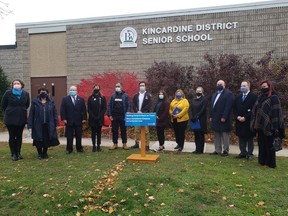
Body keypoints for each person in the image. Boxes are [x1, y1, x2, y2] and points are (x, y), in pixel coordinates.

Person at [250, 80, 285, 168]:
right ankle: (262, 161)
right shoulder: (260, 97)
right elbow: (256, 110)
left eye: (265, 87)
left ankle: (270, 163)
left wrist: (276, 127)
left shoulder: (274, 97)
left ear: (269, 87)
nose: (263, 88)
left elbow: (276, 113)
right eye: (262, 87)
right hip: (260, 125)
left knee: (269, 145)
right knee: (261, 144)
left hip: (270, 126)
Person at [1, 79, 30, 161]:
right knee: (12, 136)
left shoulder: (26, 94)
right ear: (12, 85)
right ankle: (13, 154)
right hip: (10, 118)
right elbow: (3, 105)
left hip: (21, 118)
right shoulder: (8, 93)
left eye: (18, 83)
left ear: (21, 85)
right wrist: (9, 111)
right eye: (15, 83)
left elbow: (27, 105)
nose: (16, 84)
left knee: (19, 136)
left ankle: (18, 153)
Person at [28, 86, 60, 159]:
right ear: (39, 93)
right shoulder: (35, 102)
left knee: (46, 139)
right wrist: (30, 125)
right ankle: (40, 153)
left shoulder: (51, 102)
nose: (43, 93)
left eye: (44, 92)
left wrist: (56, 123)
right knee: (38, 140)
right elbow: (31, 114)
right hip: (38, 125)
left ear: (47, 93)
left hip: (48, 125)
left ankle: (45, 153)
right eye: (41, 92)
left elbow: (54, 113)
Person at [209, 80, 234, 156]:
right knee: (217, 134)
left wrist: (224, 117)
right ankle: (217, 150)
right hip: (215, 118)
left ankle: (226, 150)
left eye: (221, 84)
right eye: (218, 84)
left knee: (224, 134)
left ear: (224, 85)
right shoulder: (214, 94)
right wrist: (210, 116)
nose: (219, 85)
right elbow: (212, 106)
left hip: (223, 118)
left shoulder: (228, 94)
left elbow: (228, 106)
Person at [233, 81, 257, 160]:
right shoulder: (238, 97)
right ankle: (242, 152)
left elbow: (254, 110)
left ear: (248, 86)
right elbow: (235, 109)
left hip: (248, 121)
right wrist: (237, 117)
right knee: (241, 137)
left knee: (249, 138)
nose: (242, 87)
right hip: (239, 121)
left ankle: (250, 153)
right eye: (241, 85)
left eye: (244, 85)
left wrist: (245, 117)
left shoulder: (253, 96)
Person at [60, 85, 87, 154]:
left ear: (76, 91)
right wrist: (64, 118)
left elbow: (83, 109)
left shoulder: (81, 99)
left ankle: (79, 148)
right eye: (71, 90)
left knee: (78, 135)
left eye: (73, 90)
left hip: (78, 120)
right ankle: (69, 149)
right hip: (69, 120)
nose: (72, 91)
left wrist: (84, 118)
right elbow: (62, 110)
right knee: (69, 136)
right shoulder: (65, 99)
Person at [107, 82, 130, 150]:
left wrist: (127, 113)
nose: (117, 87)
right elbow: (109, 105)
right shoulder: (112, 96)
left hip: (123, 116)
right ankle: (115, 144)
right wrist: (110, 115)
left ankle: (124, 144)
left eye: (118, 86)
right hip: (114, 116)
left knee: (123, 130)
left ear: (121, 87)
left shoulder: (125, 95)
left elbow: (128, 105)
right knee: (114, 131)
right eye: (116, 86)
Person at [131, 81, 152, 150]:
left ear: (145, 86)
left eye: (143, 85)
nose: (141, 87)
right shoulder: (136, 95)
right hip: (137, 115)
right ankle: (136, 143)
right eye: (140, 85)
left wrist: (142, 111)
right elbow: (133, 104)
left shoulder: (148, 95)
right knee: (136, 130)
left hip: (145, 115)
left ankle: (147, 145)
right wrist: (137, 111)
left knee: (146, 131)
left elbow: (149, 105)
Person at [87, 84, 107, 152]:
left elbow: (104, 108)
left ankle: (98, 146)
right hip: (92, 119)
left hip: (100, 119)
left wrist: (99, 116)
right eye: (95, 88)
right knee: (93, 133)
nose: (96, 89)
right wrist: (93, 116)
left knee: (99, 133)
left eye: (97, 87)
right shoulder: (90, 98)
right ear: (93, 89)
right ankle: (94, 146)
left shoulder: (102, 97)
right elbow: (89, 109)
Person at [189, 86, 208, 154]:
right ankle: (197, 149)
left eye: (199, 91)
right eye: (197, 91)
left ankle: (200, 150)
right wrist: (191, 116)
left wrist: (197, 116)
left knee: (201, 135)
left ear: (202, 92)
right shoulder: (193, 99)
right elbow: (190, 109)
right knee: (196, 135)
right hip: (194, 120)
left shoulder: (204, 100)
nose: (198, 92)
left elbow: (202, 110)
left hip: (200, 120)